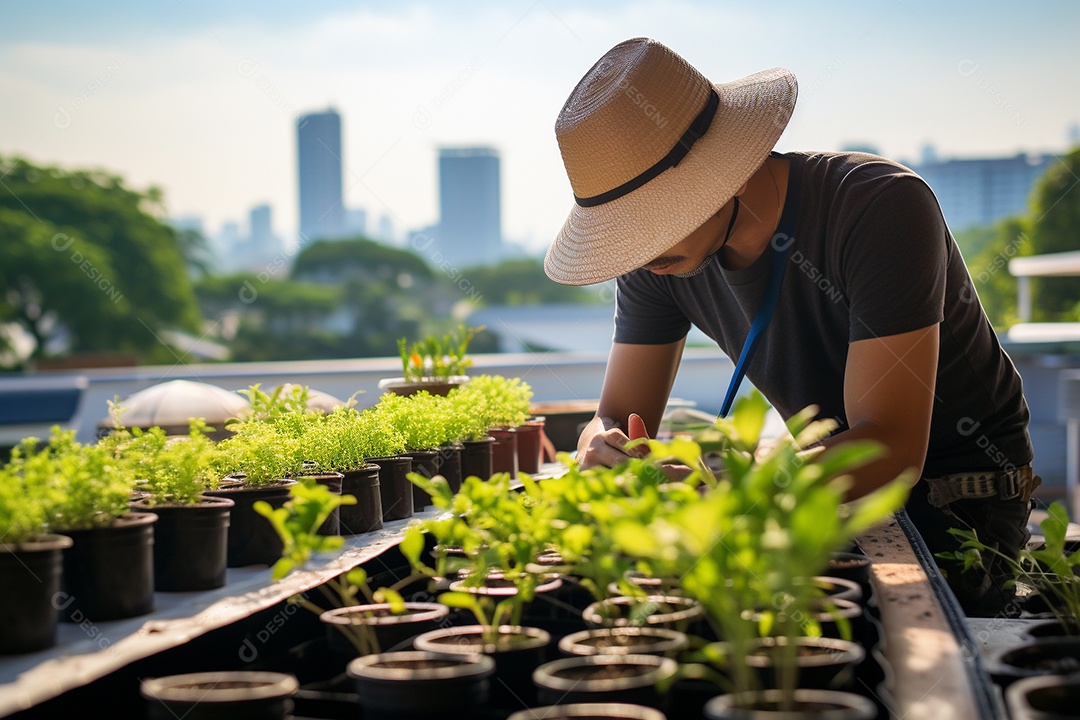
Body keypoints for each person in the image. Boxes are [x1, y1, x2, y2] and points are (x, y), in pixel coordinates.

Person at [543, 37, 1039, 617]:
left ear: (722, 174)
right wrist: (599, 446)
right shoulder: (658, 256)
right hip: (818, 476)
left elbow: (890, 444)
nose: (636, 248)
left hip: (955, 495)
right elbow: (617, 410)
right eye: (623, 229)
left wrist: (735, 494)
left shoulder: (879, 207)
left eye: (651, 218)